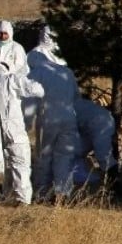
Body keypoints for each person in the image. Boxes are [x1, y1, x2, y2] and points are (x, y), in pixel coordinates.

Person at [0, 20, 44, 204]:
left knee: (12, 162)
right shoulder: (9, 79)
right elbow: (36, 89)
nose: (2, 37)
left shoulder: (15, 54)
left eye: (5, 34)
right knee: (18, 161)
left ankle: (13, 197)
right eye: (0, 34)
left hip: (5, 123)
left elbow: (24, 77)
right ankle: (20, 199)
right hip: (7, 124)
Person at [26, 26, 79, 202]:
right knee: (65, 156)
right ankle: (62, 194)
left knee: (44, 158)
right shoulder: (67, 72)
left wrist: (27, 122)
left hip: (48, 119)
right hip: (69, 118)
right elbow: (76, 97)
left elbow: (31, 99)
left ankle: (41, 195)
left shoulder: (37, 72)